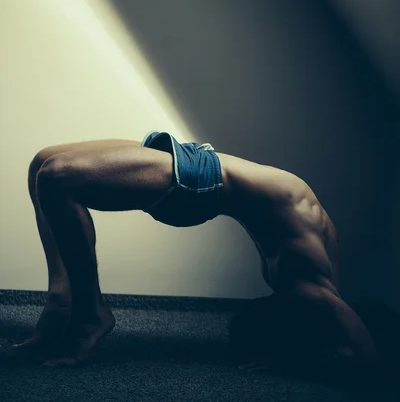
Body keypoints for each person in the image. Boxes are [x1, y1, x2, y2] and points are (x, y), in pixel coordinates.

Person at [6, 131, 379, 373]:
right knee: (44, 163)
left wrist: (281, 361)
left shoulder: (317, 264)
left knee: (55, 175)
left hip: (206, 174)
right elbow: (365, 357)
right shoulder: (306, 287)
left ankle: (85, 313)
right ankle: (65, 299)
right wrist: (305, 361)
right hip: (206, 171)